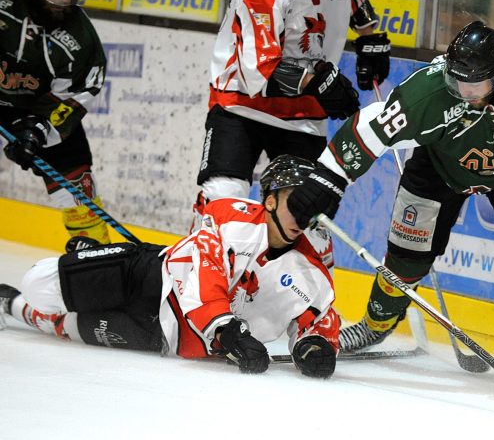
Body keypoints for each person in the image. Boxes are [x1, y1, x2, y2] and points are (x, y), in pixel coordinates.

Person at [284, 20, 494, 395]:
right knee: (406, 262)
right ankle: (376, 324)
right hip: (437, 168)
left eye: (474, 84)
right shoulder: (428, 92)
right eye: (457, 80)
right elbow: (368, 129)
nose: (463, 91)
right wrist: (327, 180)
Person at [0, 154, 341, 379]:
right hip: (148, 276)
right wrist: (226, 331)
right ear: (269, 200)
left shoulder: (313, 268)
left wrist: (314, 346)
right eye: (294, 201)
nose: (303, 215)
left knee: (68, 325)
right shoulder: (229, 215)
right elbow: (204, 274)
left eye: (309, 206)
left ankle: (9, 304)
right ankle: (95, 255)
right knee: (39, 283)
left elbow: (318, 319)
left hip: (160, 338)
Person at [193, 0, 390, 236]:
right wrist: (320, 84)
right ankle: (202, 278)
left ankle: (285, 285)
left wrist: (370, 42)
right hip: (242, 104)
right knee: (222, 202)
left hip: (302, 114)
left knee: (306, 215)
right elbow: (261, 70)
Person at [0, 0, 111, 248]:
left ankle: (95, 256)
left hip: (33, 110)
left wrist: (38, 131)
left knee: (76, 180)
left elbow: (72, 100)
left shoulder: (82, 42)